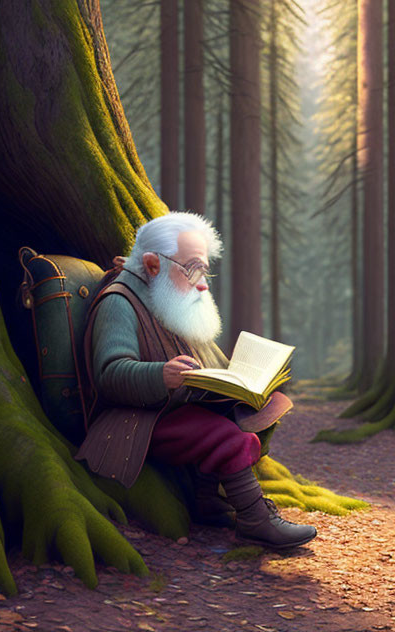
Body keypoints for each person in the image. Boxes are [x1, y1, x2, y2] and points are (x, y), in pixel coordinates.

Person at [76, 211, 316, 549]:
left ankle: (207, 499)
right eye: (191, 269)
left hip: (175, 407)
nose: (202, 283)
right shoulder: (119, 302)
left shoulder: (164, 295)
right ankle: (254, 519)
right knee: (226, 436)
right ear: (153, 264)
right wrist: (161, 375)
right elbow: (109, 374)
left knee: (259, 410)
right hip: (139, 420)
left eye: (203, 269)